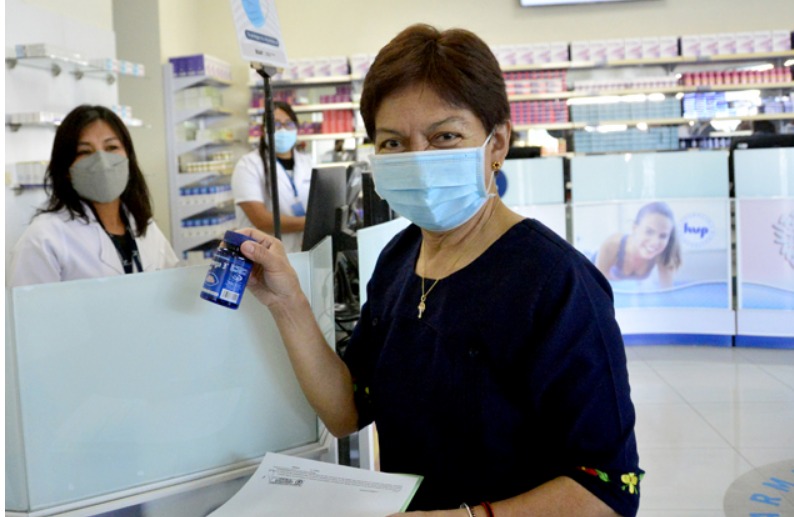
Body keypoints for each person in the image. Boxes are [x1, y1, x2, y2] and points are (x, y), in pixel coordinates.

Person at [237, 24, 643, 516]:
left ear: (497, 144)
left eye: (444, 136)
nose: (417, 160)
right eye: (393, 143)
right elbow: (347, 410)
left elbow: (608, 490)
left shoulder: (556, 282)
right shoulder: (398, 260)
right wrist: (288, 302)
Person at [9, 105, 178, 287]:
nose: (102, 162)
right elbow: (28, 304)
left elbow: (175, 288)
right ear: (66, 168)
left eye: (111, 147)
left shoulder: (144, 225)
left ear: (128, 158)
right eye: (84, 152)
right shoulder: (43, 238)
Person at [231, 100, 313, 253]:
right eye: (276, 124)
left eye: (289, 124)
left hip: (303, 251)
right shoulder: (248, 165)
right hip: (262, 255)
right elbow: (262, 220)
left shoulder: (308, 162)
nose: (283, 129)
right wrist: (313, 223)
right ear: (263, 130)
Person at [596, 201, 681, 289]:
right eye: (649, 232)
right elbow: (595, 287)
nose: (655, 242)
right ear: (634, 228)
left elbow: (667, 290)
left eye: (663, 236)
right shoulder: (612, 245)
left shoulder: (664, 251)